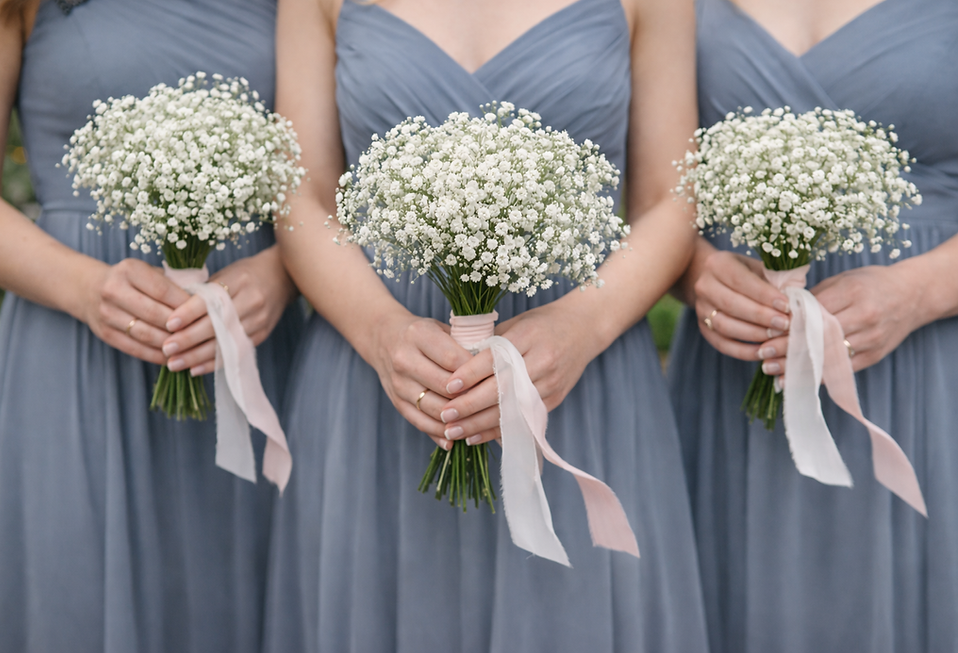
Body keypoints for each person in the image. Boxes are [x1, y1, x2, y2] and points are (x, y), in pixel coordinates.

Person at [264, 0, 708, 651]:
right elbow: (300, 194)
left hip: (580, 372)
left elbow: (671, 197)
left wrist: (582, 323)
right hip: (379, 377)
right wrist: (382, 332)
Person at [0, 1, 303, 651]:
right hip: (72, 354)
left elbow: (326, 175)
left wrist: (281, 272)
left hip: (250, 357)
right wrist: (87, 289)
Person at [667, 0, 958, 651]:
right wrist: (696, 272)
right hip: (732, 371)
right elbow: (654, 187)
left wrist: (919, 291)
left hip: (924, 370)